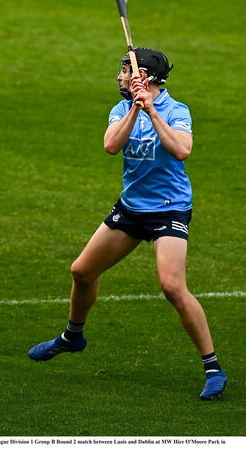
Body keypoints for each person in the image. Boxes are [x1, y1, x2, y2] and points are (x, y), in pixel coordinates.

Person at [28, 48, 228, 401]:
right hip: (132, 209)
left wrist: (151, 109)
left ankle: (213, 367)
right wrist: (136, 108)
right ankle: (73, 337)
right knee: (81, 271)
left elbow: (181, 150)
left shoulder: (176, 110)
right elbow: (110, 145)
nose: (120, 76)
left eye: (125, 70)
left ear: (145, 77)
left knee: (172, 287)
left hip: (169, 209)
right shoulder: (122, 108)